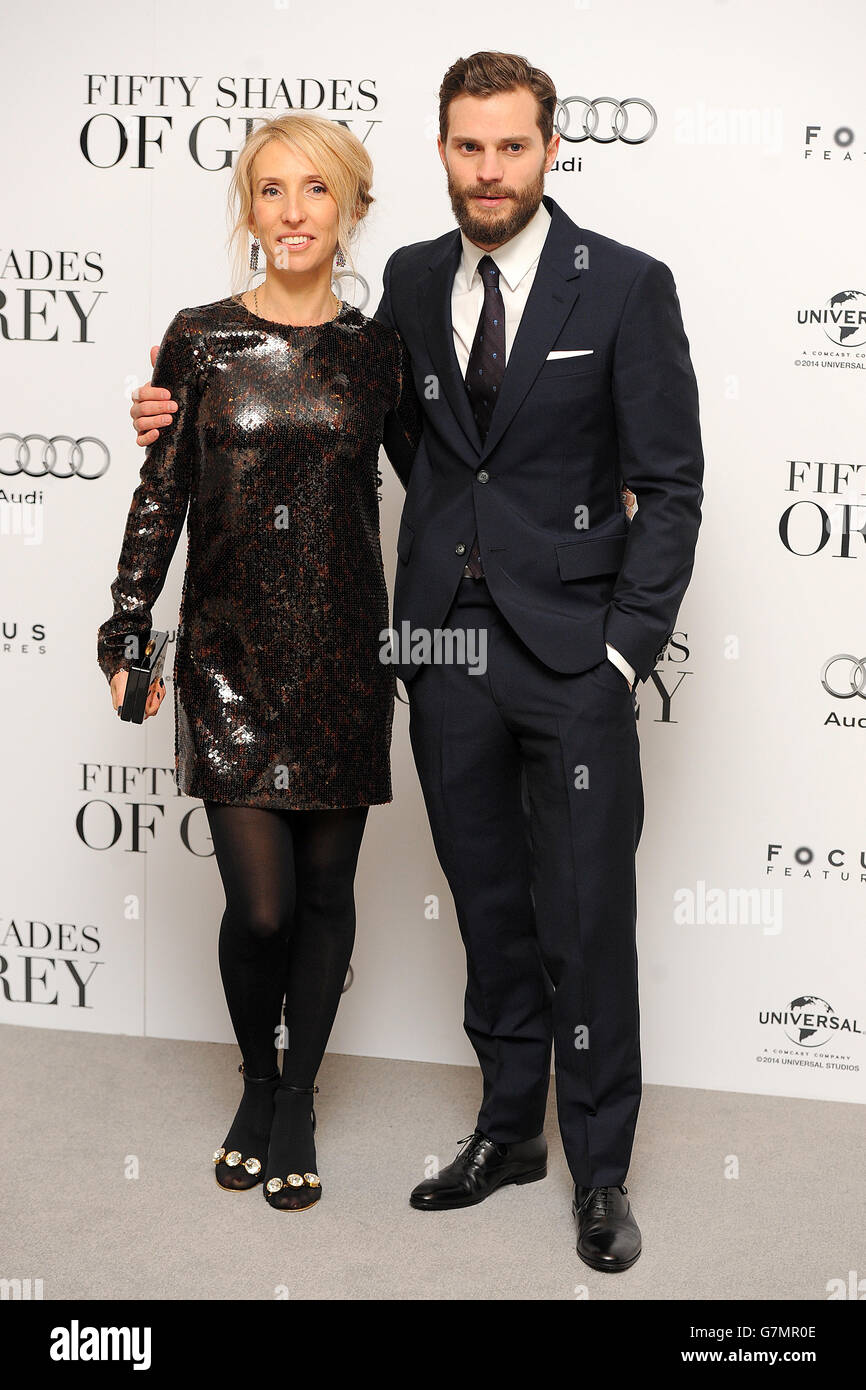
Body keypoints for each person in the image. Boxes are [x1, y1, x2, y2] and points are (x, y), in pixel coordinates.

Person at [131, 51, 704, 1272]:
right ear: (439, 154)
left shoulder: (625, 289)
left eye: (509, 147)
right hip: (441, 651)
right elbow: (346, 409)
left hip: (571, 658)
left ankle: (598, 1174)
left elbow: (670, 485)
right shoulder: (406, 277)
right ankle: (509, 1134)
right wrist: (175, 409)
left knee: (584, 918)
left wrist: (622, 649)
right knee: (489, 912)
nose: (487, 170)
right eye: (465, 147)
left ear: (550, 150)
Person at [98, 112, 419, 1212]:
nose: (292, 212)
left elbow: (450, 484)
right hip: (228, 658)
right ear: (249, 206)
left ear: (350, 209)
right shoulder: (197, 339)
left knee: (326, 897)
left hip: (342, 658)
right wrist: (130, 622)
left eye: (315, 191)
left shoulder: (379, 350)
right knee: (265, 909)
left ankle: (295, 1097)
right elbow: (163, 494)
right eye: (272, 190)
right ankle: (254, 1071)